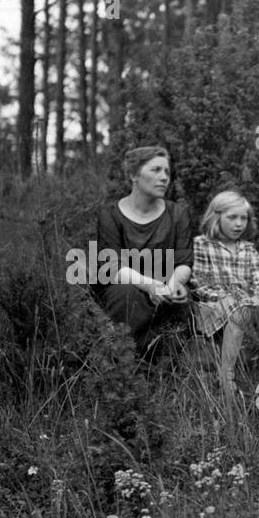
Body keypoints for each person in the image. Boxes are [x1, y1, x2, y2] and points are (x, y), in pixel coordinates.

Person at [91, 145, 194, 358]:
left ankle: (166, 373)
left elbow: (184, 262)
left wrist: (173, 286)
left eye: (166, 171)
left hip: (166, 285)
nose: (164, 177)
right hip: (126, 286)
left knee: (183, 301)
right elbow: (112, 267)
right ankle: (124, 365)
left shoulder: (177, 214)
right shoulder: (110, 214)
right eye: (155, 170)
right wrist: (149, 286)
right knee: (127, 296)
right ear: (133, 175)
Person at [189, 190, 259, 393]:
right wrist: (231, 297)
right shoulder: (202, 245)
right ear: (216, 217)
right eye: (232, 218)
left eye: (243, 218)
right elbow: (200, 283)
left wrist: (256, 296)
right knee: (241, 311)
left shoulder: (248, 249)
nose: (239, 224)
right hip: (215, 304)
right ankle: (226, 377)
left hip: (248, 302)